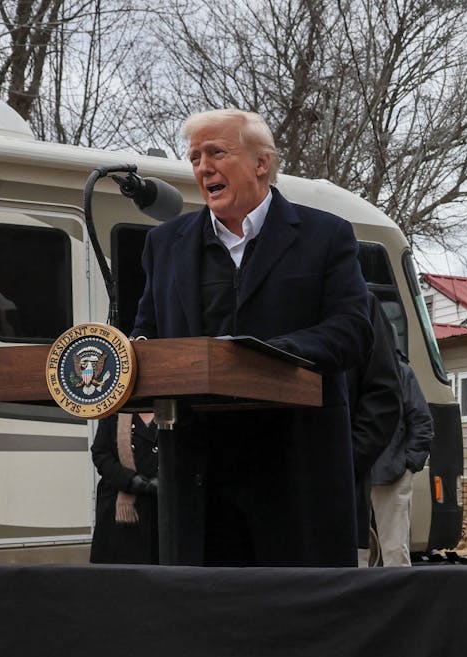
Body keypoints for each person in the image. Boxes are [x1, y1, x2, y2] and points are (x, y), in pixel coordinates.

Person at [132, 108, 373, 567]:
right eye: (195, 156)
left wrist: (259, 359)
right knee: (210, 622)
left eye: (217, 152)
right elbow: (147, 333)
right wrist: (134, 359)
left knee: (297, 621)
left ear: (262, 163)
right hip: (198, 477)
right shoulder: (164, 245)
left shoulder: (326, 236)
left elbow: (352, 331)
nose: (203, 167)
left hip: (294, 471)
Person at [368, 349, 434, 566]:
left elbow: (422, 422)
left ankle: (399, 599)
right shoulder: (349, 373)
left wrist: (408, 466)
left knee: (395, 550)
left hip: (392, 473)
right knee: (357, 552)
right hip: (355, 473)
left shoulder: (401, 372)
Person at [351, 297, 404, 565]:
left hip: (386, 471)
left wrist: (407, 461)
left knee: (394, 544)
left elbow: (419, 420)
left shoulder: (402, 372)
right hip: (371, 473)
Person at [90, 412, 160, 564]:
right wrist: (129, 480)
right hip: (119, 508)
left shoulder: (173, 408)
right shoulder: (113, 412)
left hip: (162, 507)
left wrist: (165, 479)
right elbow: (100, 454)